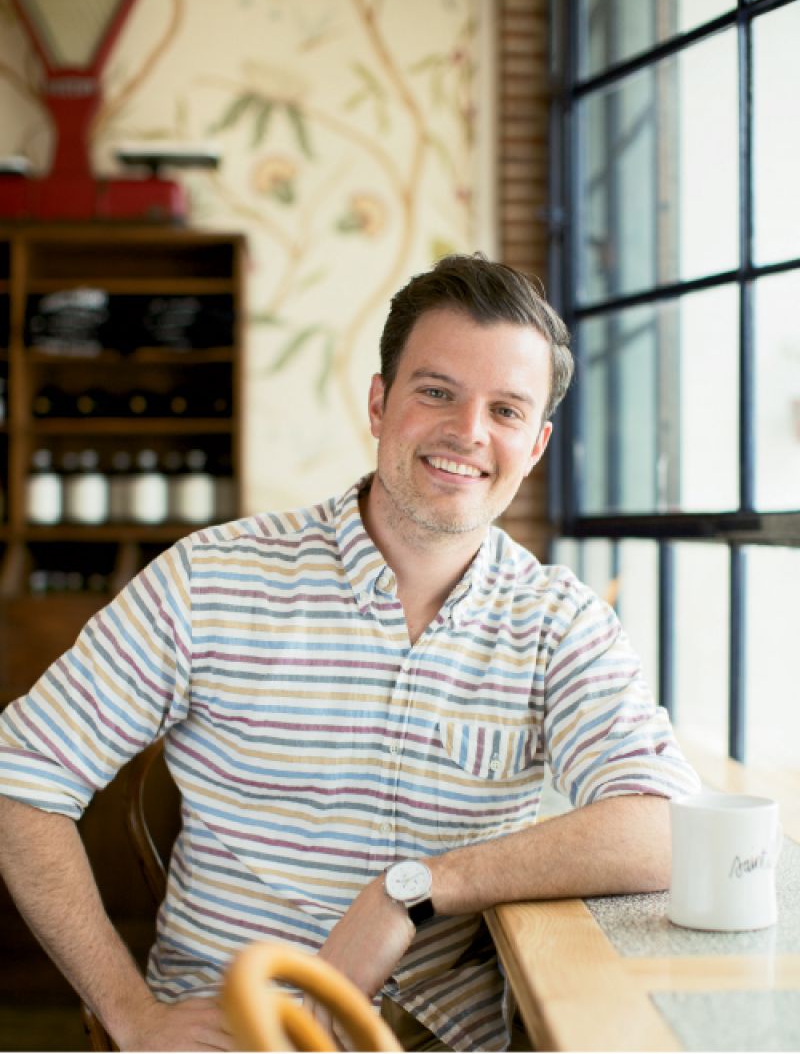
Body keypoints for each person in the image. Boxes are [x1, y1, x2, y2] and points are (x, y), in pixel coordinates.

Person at [0, 253, 700, 1052]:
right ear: (378, 402)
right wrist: (130, 1013)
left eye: (505, 410)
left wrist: (416, 889)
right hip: (239, 1030)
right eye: (436, 391)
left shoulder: (561, 623)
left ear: (535, 445)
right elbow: (20, 779)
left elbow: (669, 829)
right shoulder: (210, 579)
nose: (468, 432)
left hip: (447, 1038)